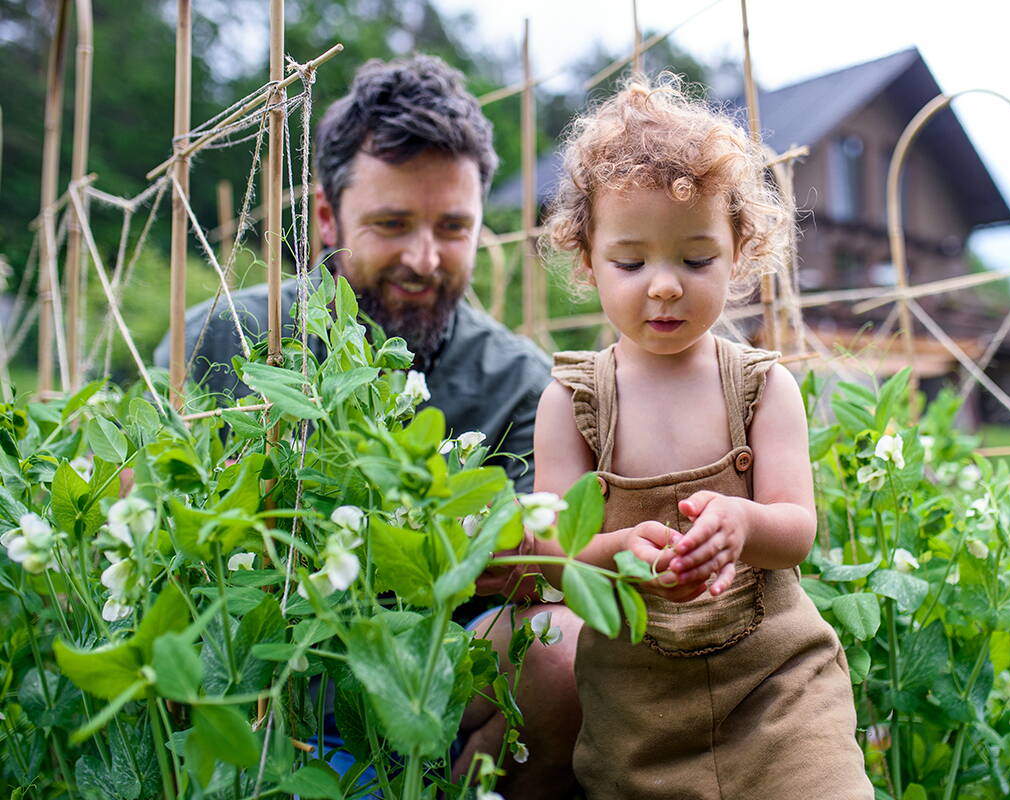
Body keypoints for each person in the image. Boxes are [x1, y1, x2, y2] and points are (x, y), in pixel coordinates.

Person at [154, 54, 582, 799]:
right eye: (391, 224)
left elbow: (535, 572)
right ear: (328, 215)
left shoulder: (519, 382)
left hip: (433, 689)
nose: (423, 259)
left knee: (564, 652)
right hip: (254, 681)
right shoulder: (222, 342)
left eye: (453, 227)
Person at [530, 75, 874, 799]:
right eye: (631, 261)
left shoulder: (759, 387)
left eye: (695, 259)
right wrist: (613, 552)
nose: (663, 286)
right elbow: (553, 557)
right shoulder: (572, 402)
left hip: (778, 686)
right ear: (587, 260)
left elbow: (796, 529)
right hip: (638, 707)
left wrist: (743, 522)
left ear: (739, 252)